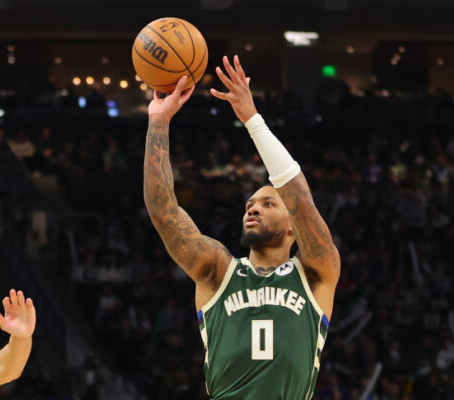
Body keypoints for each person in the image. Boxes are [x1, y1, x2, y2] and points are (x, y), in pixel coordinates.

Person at [142, 55, 340, 399]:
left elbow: (302, 202)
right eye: (249, 204)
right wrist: (158, 122)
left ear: (294, 228)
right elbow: (163, 210)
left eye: (267, 203)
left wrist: (253, 121)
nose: (253, 208)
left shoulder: (316, 273)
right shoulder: (218, 270)